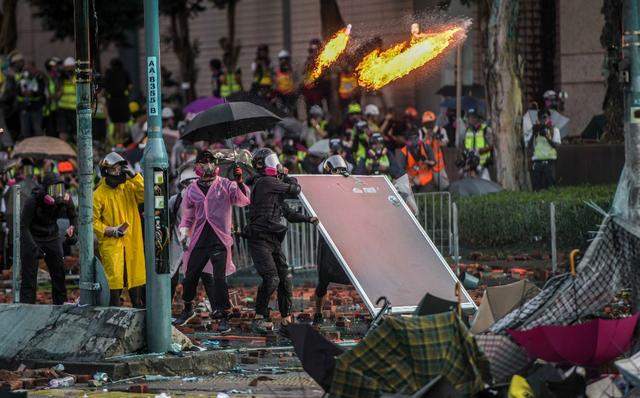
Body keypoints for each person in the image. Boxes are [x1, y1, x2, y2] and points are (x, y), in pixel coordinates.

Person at [173, 150, 250, 331]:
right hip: (199, 238)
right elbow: (188, 215)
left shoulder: (226, 185)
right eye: (203, 162)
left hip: (220, 239)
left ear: (215, 165)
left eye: (210, 162)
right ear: (197, 166)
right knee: (190, 274)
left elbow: (243, 200)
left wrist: (239, 182)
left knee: (219, 278)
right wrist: (184, 230)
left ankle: (223, 315)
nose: (207, 165)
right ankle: (187, 308)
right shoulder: (192, 190)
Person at [244, 148, 318, 334]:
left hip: (272, 239)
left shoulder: (272, 187)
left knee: (285, 278)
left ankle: (286, 321)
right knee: (272, 278)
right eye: (271, 161)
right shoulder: (266, 182)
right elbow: (295, 189)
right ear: (261, 165)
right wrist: (286, 175)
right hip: (259, 239)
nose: (276, 164)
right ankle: (259, 317)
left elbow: (289, 214)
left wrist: (308, 219)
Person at [93, 152, 146, 308]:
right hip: (112, 244)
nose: (118, 173)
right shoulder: (98, 195)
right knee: (114, 282)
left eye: (120, 169)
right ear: (105, 172)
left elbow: (146, 194)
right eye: (114, 170)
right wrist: (109, 230)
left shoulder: (129, 187)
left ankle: (138, 314)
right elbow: (92, 221)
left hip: (132, 242)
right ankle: (113, 317)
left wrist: (135, 176)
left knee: (135, 279)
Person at [20, 173, 76, 305]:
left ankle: (60, 307)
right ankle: (26, 309)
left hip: (52, 236)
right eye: (53, 190)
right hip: (33, 236)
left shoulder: (66, 200)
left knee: (59, 275)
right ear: (45, 190)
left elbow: (73, 216)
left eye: (60, 189)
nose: (58, 194)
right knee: (29, 278)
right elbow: (23, 227)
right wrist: (33, 247)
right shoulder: (33, 200)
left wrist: (73, 230)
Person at [313, 155, 352, 325]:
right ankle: (318, 313)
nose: (339, 174)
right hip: (328, 237)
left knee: (356, 275)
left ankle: (374, 309)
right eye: (336, 171)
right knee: (323, 279)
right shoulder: (322, 187)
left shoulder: (348, 186)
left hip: (345, 236)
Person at [528, 109, 561, 190]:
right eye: (541, 118)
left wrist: (546, 136)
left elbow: (556, 146)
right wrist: (533, 134)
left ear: (549, 118)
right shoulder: (536, 130)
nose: (544, 119)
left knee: (550, 186)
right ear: (538, 119)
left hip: (549, 162)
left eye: (545, 117)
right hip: (537, 162)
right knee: (536, 187)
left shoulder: (554, 130)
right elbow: (529, 146)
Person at [104, 58, 132, 144]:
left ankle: (115, 141)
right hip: (123, 99)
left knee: (115, 121)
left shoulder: (109, 73)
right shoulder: (124, 72)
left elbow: (105, 86)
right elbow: (130, 85)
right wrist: (127, 93)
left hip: (112, 100)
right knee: (122, 121)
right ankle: (121, 141)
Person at [420, 111, 449, 190]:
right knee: (427, 190)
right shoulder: (421, 132)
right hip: (425, 166)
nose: (429, 125)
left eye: (430, 123)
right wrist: (427, 137)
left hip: (438, 166)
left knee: (445, 188)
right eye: (426, 123)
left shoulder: (440, 130)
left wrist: (436, 138)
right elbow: (419, 145)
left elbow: (445, 142)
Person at [462, 109, 493, 180]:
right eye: (469, 117)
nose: (470, 119)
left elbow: (492, 145)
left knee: (485, 185)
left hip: (483, 163)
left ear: (478, 118)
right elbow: (464, 145)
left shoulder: (486, 129)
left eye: (473, 117)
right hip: (470, 164)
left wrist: (482, 150)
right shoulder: (467, 131)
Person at [57, 57, 77, 142]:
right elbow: (59, 92)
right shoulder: (62, 78)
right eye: (66, 68)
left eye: (69, 67)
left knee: (77, 132)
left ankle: (79, 151)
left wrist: (71, 79)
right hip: (63, 108)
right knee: (63, 131)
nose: (67, 70)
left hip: (74, 108)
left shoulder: (78, 77)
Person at [43, 57, 60, 136]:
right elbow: (47, 95)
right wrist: (57, 95)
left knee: (57, 130)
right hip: (48, 108)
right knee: (50, 131)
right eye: (54, 66)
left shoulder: (57, 77)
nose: (56, 68)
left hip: (56, 108)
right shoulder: (46, 78)